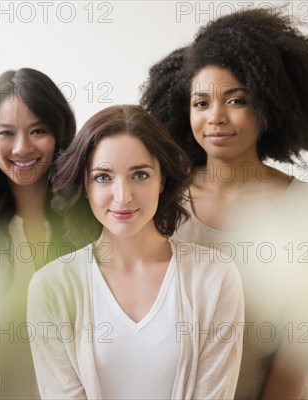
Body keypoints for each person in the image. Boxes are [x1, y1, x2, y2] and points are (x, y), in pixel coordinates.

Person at [140, 8, 308, 399]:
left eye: (236, 100)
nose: (216, 117)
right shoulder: (162, 199)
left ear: (267, 106)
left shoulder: (303, 208)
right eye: (201, 103)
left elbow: (299, 345)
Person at [28, 105, 244, 399]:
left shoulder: (215, 276)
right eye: (104, 177)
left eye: (139, 175)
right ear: (85, 185)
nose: (123, 196)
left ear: (162, 179)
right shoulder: (51, 287)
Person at [0, 67, 76, 399]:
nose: (22, 147)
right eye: (6, 133)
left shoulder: (90, 224)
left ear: (60, 134)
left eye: (38, 130)